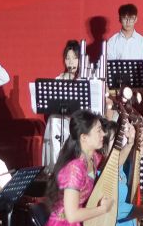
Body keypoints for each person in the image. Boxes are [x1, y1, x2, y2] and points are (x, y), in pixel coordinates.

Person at [43, 39, 102, 167]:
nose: (71, 62)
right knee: (54, 119)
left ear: (80, 60)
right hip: (62, 119)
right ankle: (56, 165)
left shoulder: (85, 79)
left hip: (78, 120)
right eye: (67, 58)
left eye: (74, 58)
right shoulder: (59, 79)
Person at [104, 3, 143, 86]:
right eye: (125, 18)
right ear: (120, 19)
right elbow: (109, 68)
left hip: (139, 86)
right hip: (118, 86)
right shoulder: (112, 42)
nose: (128, 22)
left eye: (131, 18)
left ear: (136, 19)